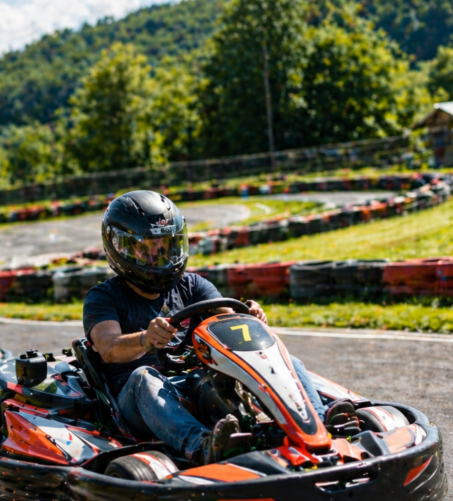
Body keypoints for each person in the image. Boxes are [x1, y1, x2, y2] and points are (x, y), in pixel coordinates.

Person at [83, 190, 355, 465]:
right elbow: (108, 348)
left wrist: (249, 317)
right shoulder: (104, 297)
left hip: (198, 382)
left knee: (288, 361)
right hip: (138, 403)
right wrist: (145, 339)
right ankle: (202, 444)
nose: (159, 256)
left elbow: (228, 318)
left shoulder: (193, 285)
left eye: (165, 245)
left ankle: (317, 425)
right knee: (144, 376)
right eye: (146, 248)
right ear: (120, 249)